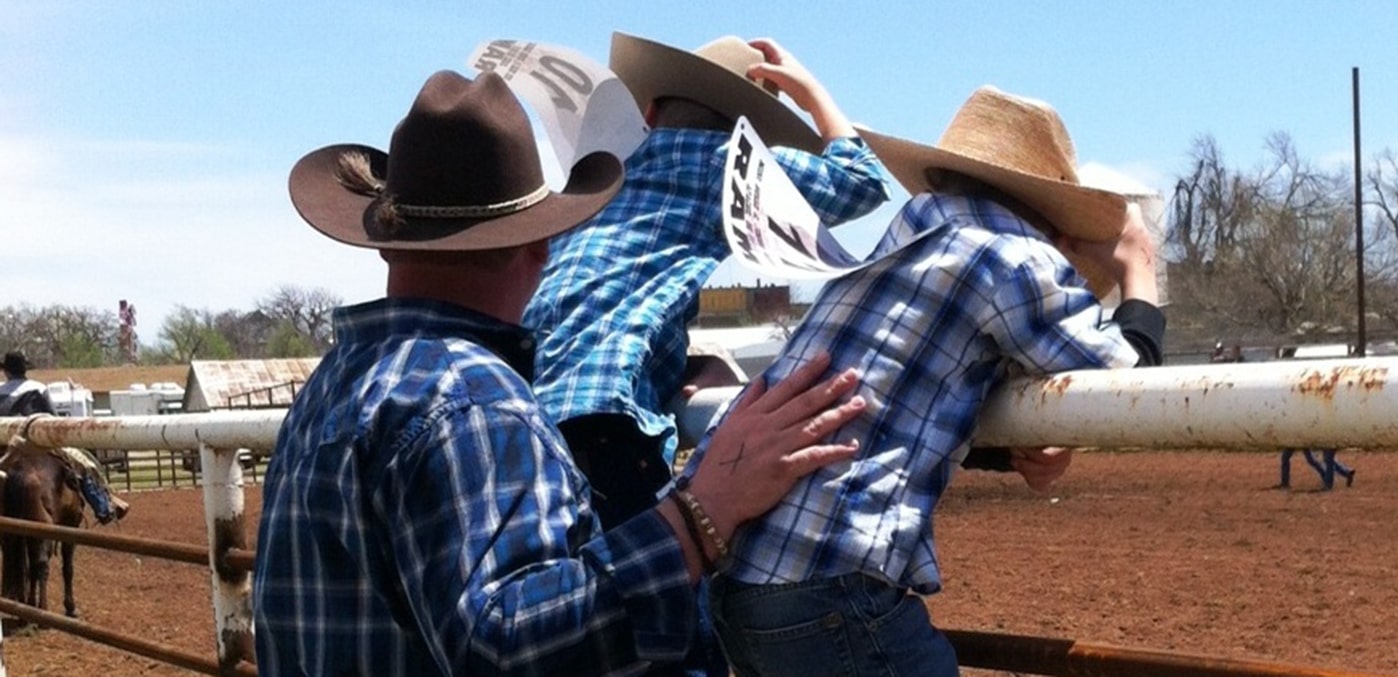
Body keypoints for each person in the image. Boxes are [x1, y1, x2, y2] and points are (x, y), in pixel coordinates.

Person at [252, 70, 871, 676]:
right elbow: (509, 647)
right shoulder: (470, 399)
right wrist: (702, 512)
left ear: (387, 242)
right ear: (540, 243)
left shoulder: (331, 386)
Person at [687, 86, 1167, 677]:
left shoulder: (909, 238)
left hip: (742, 574)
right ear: (1049, 216)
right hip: (826, 578)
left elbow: (901, 395)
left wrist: (1010, 452)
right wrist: (1137, 269)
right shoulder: (1012, 255)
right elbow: (1128, 391)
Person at [523, 34, 889, 530]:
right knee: (655, 585)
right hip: (603, 417)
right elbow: (862, 182)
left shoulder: (604, 172)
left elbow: (604, 306)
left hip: (520, 396)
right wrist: (811, 93)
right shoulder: (727, 160)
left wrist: (696, 361)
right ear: (752, 139)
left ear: (648, 113)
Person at [0, 351, 129, 523]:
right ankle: (104, 506)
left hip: (4, 443)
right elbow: (53, 417)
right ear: (25, 370)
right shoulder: (38, 387)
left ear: (5, 371)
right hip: (35, 440)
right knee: (82, 462)